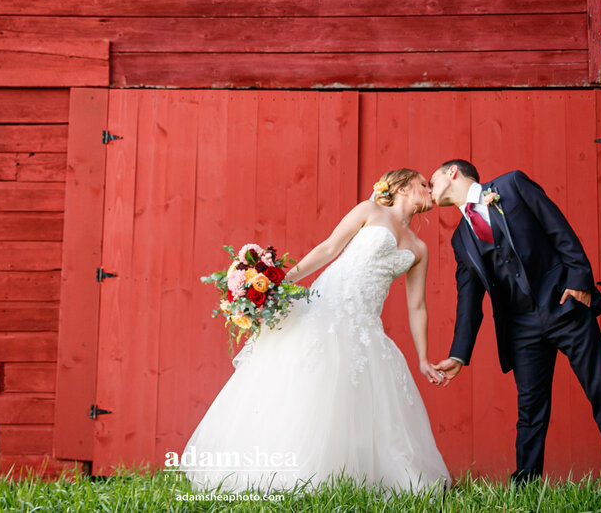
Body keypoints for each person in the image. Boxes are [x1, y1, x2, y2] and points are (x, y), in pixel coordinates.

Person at [179, 169, 450, 496]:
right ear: (404, 186)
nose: (430, 191)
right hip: (327, 308)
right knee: (304, 387)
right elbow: (328, 248)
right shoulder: (370, 211)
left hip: (366, 326)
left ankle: (347, 476)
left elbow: (417, 305)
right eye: (424, 184)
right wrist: (282, 282)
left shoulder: (419, 248)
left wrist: (423, 358)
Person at [428, 160, 601, 488]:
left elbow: (558, 228)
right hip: (521, 326)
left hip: (564, 306)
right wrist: (458, 355)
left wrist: (580, 280)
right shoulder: (460, 240)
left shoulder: (511, 186)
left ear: (452, 172)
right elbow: (468, 302)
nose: (430, 188)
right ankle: (525, 485)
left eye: (432, 179)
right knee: (530, 410)